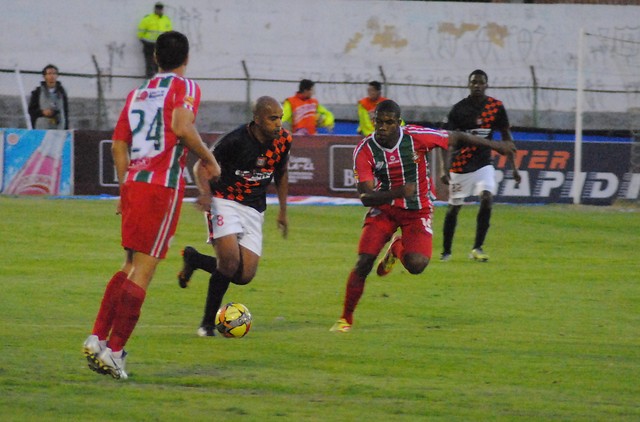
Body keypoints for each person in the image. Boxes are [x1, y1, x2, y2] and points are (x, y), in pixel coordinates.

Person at [82, 31, 220, 380]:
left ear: (155, 58)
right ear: (186, 59)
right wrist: (209, 159)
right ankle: (115, 352)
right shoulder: (185, 87)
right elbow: (182, 128)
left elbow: (118, 145)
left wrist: (124, 186)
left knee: (130, 264)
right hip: (162, 187)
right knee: (144, 270)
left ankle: (97, 338)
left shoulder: (137, 93)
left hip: (134, 182)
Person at [330, 100, 515, 333]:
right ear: (373, 121)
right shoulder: (364, 150)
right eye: (379, 122)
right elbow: (366, 196)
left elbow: (456, 137)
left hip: (418, 210)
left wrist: (496, 145)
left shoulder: (416, 137)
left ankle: (397, 248)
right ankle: (345, 319)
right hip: (384, 208)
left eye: (389, 122)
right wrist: (398, 193)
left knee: (417, 265)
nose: (383, 127)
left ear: (398, 123)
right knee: (364, 261)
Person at [177, 96, 293, 337]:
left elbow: (281, 172)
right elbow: (201, 166)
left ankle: (195, 259)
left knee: (244, 275)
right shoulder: (235, 140)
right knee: (229, 262)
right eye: (272, 118)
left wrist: (283, 210)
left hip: (253, 208)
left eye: (280, 118)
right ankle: (207, 324)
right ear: (257, 119)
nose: (278, 124)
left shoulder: (283, 140)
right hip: (224, 201)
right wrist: (206, 194)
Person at [438, 69, 522, 263]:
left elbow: (507, 139)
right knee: (454, 207)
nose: (477, 85)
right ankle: (446, 251)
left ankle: (477, 248)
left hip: (484, 164)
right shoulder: (459, 109)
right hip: (461, 165)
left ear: (486, 85)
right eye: (474, 82)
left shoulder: (495, 107)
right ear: (469, 85)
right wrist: (444, 168)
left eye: (480, 82)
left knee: (486, 197)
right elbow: (444, 140)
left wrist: (514, 168)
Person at [28, 64, 69, 130]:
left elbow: (65, 112)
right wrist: (42, 112)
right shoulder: (38, 91)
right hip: (42, 129)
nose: (52, 76)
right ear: (44, 76)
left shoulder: (62, 92)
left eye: (54, 73)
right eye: (49, 74)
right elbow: (31, 110)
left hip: (59, 128)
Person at [137, 2, 173, 78]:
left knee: (159, 63)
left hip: (161, 45)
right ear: (155, 9)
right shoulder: (148, 19)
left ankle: (158, 78)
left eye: (160, 9)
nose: (159, 10)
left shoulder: (166, 20)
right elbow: (140, 31)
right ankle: (150, 79)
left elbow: (169, 32)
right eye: (157, 9)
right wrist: (144, 41)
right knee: (149, 63)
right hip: (149, 45)